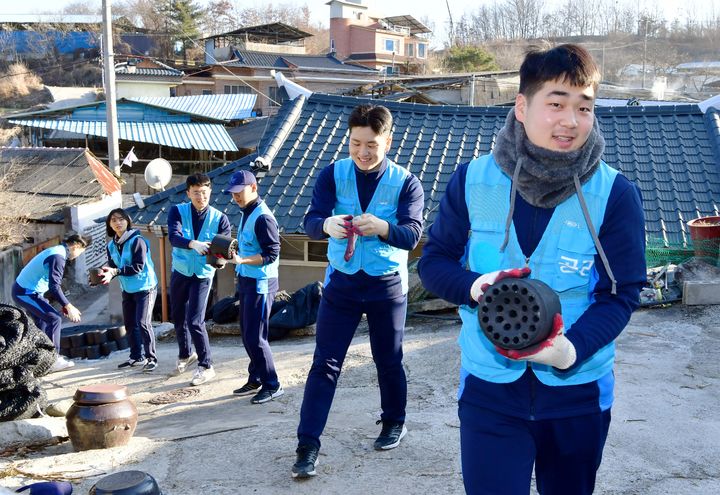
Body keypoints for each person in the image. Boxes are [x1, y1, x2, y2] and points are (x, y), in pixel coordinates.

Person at [417, 44, 647, 494]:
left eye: (585, 107)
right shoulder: (473, 180)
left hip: (577, 396)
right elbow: (434, 262)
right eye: (556, 103)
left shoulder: (615, 194)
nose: (571, 120)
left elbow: (621, 294)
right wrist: (472, 285)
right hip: (490, 391)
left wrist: (571, 350)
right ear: (522, 107)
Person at [291, 104, 425, 479]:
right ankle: (307, 445)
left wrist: (383, 226)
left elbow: (412, 234)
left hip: (386, 285)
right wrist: (326, 224)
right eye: (355, 144)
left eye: (372, 145)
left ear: (388, 141)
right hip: (342, 284)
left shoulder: (407, 182)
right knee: (325, 365)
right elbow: (312, 221)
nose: (363, 152)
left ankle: (393, 421)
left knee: (388, 359)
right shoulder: (332, 174)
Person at [222, 170, 282, 404]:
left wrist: (242, 260)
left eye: (240, 192)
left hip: (261, 282)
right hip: (247, 279)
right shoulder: (247, 211)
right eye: (233, 193)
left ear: (254, 188)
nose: (235, 197)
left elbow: (272, 253)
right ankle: (256, 377)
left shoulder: (263, 217)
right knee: (248, 334)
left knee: (255, 336)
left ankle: (272, 384)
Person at [168, 172, 232, 386]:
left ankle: (206, 365)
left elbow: (224, 249)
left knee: (195, 320)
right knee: (178, 316)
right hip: (181, 270)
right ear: (188, 193)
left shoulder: (220, 218)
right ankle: (185, 354)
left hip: (203, 275)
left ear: (210, 192)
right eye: (196, 193)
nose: (200, 197)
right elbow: (174, 237)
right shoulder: (177, 211)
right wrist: (193, 243)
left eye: (204, 193)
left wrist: (220, 258)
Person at [12, 234, 90, 372]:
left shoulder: (57, 250)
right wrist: (68, 305)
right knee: (54, 319)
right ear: (76, 246)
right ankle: (53, 360)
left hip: (32, 292)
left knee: (43, 323)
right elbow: (55, 287)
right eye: (81, 252)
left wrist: (64, 304)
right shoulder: (58, 257)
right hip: (25, 292)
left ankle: (39, 359)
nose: (78, 256)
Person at [99, 208, 159, 372]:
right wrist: (103, 274)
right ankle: (136, 357)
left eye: (121, 219)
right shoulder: (111, 245)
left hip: (145, 287)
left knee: (143, 322)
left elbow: (138, 267)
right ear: (109, 225)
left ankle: (151, 358)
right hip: (128, 288)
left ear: (127, 221)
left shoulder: (137, 241)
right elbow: (112, 265)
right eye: (113, 220)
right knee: (130, 323)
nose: (117, 223)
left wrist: (116, 272)